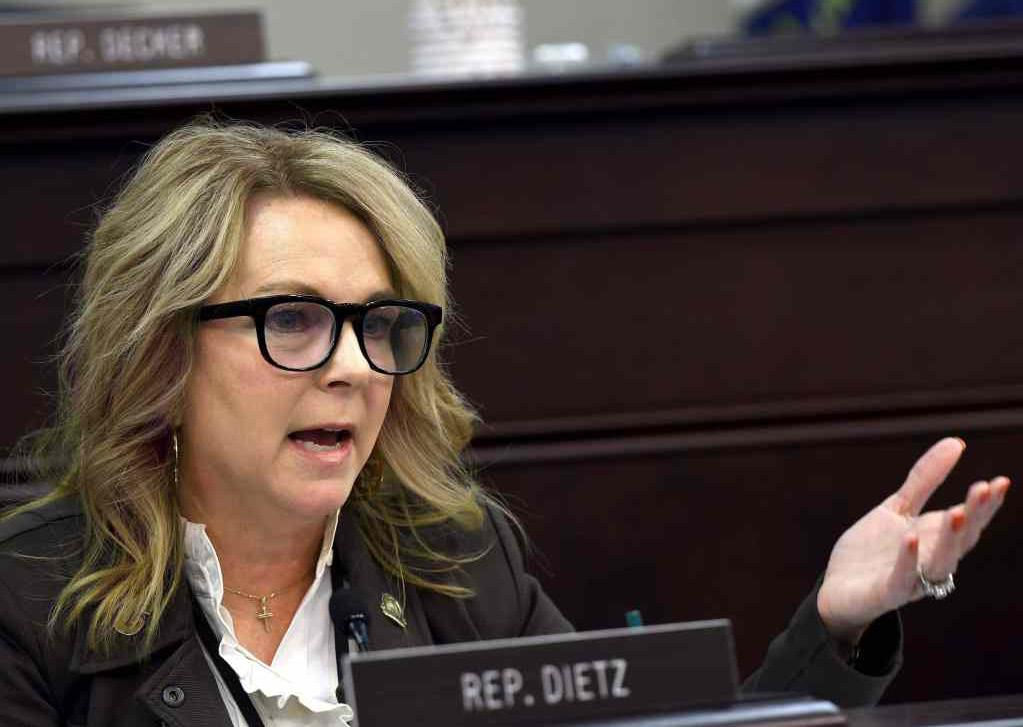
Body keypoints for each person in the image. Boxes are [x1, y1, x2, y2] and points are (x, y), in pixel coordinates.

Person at [0, 119, 1009, 727]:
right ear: (164, 347)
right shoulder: (25, 603)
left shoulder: (453, 558)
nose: (354, 366)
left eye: (379, 324)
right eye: (294, 320)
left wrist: (837, 621)